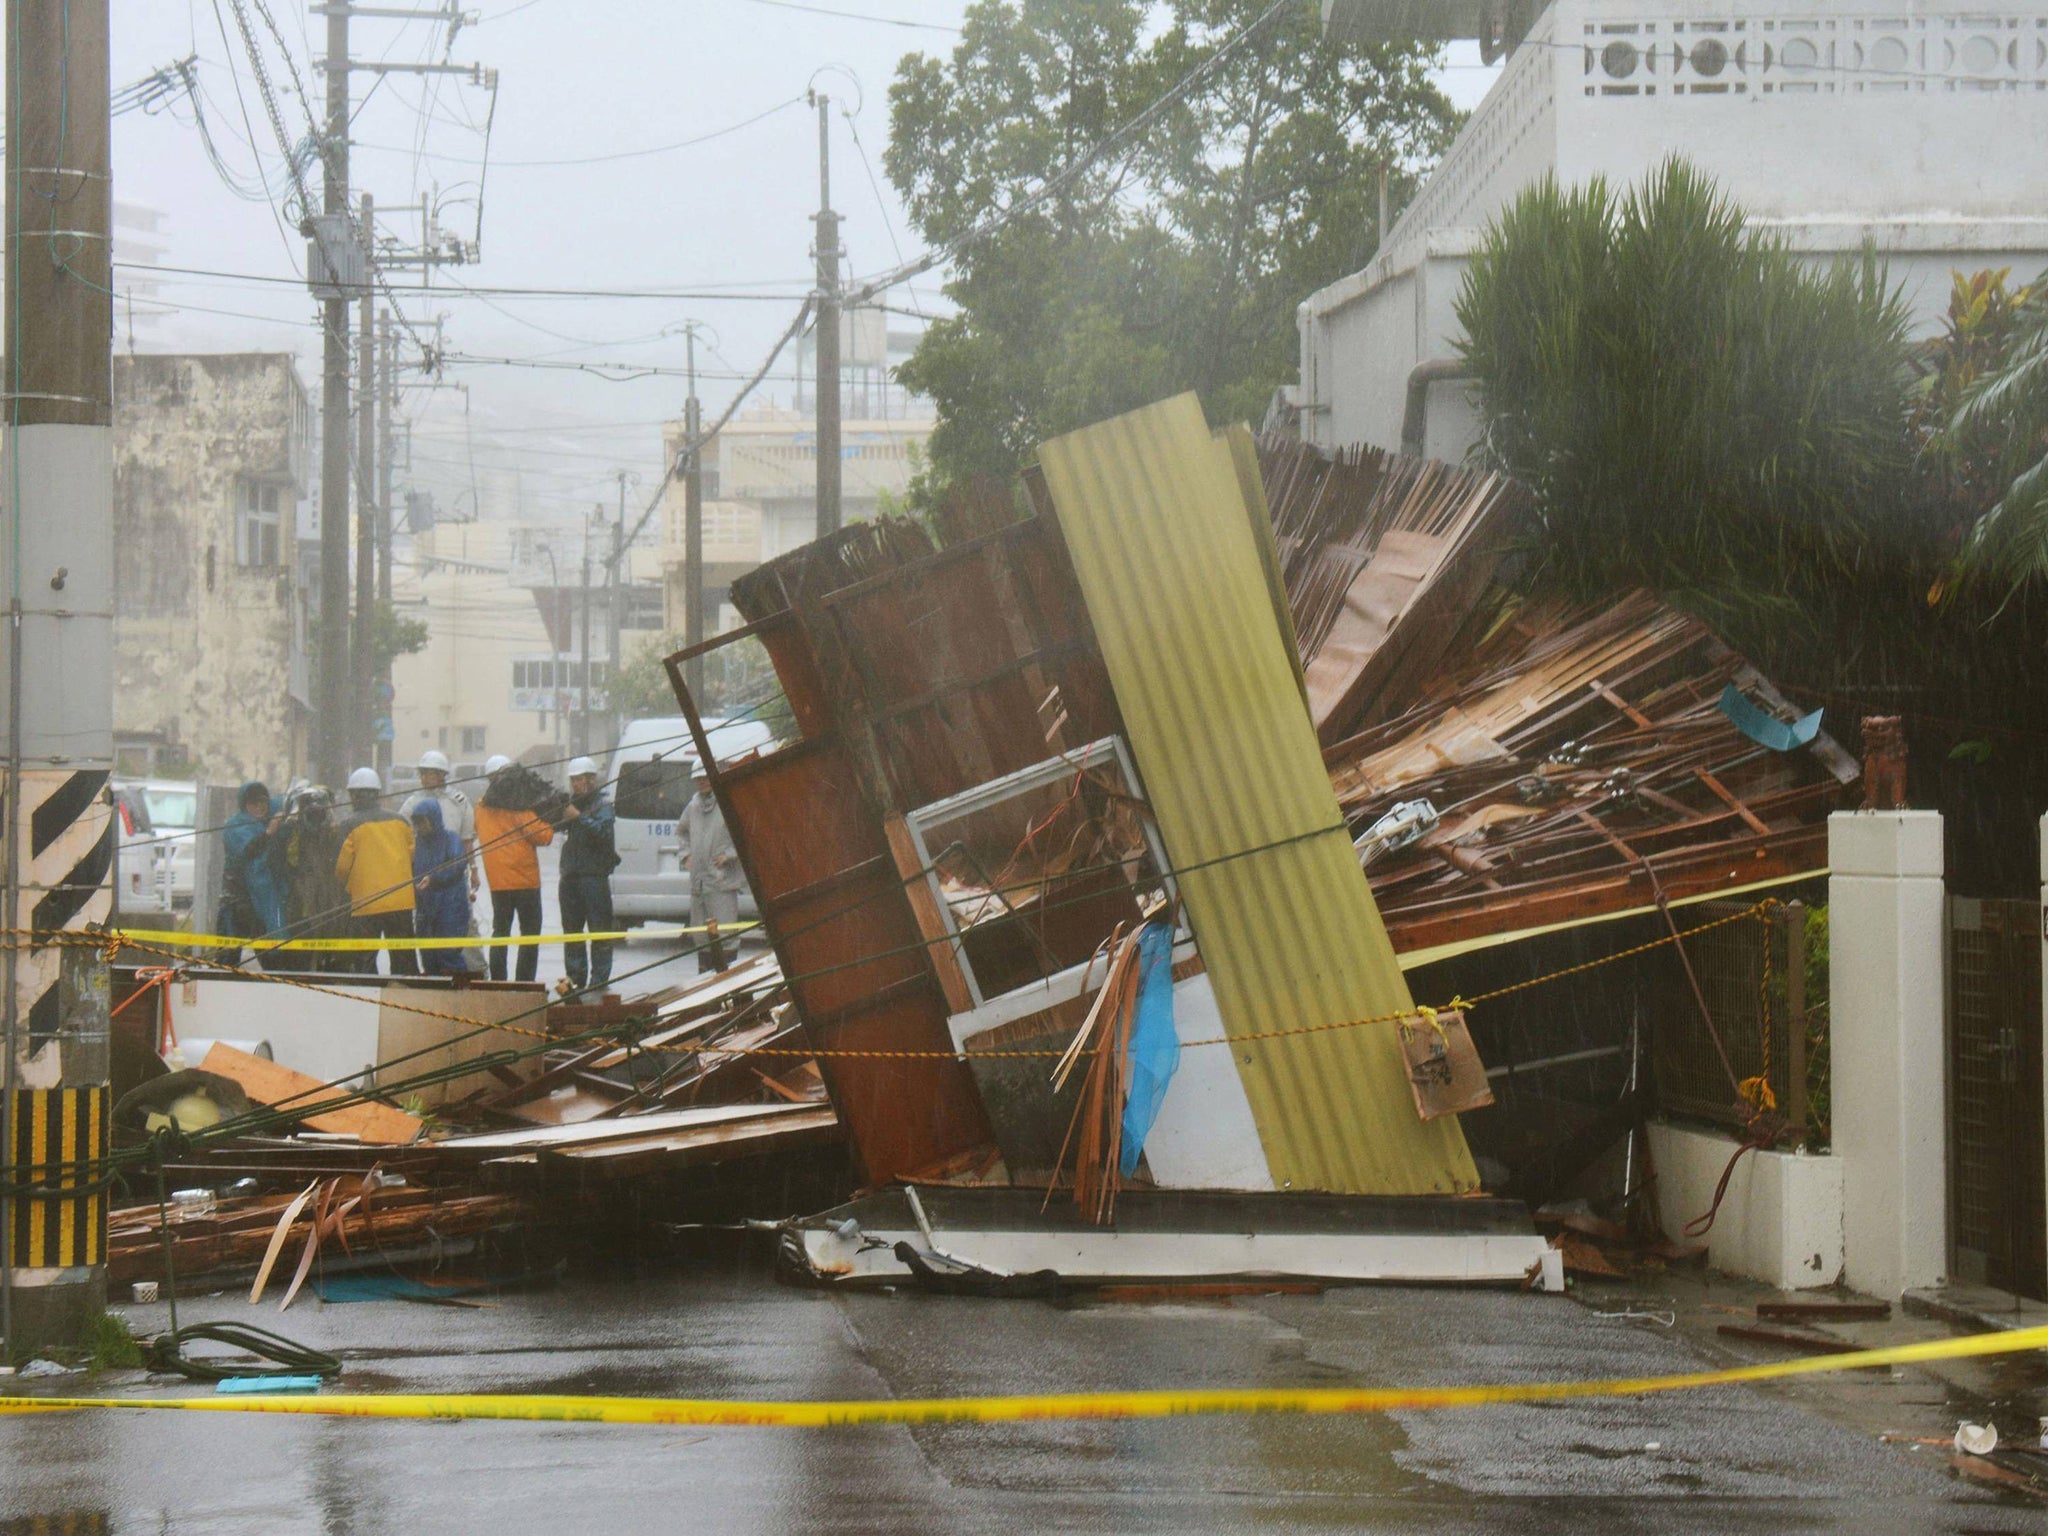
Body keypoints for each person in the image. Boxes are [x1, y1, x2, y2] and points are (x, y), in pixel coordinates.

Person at [474, 754, 554, 983]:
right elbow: (544, 836)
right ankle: (524, 982)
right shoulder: (518, 808)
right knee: (529, 936)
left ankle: (499, 982)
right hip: (525, 881)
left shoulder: (480, 808)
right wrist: (548, 818)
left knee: (500, 934)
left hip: (498, 884)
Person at [333, 767, 418, 975]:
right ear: (378, 793)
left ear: (353, 796)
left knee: (365, 959)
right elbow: (411, 856)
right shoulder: (400, 821)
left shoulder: (348, 825)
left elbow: (342, 867)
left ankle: (369, 996)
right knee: (403, 958)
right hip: (401, 900)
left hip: (365, 902)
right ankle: (405, 994)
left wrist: (346, 887)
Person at [403, 748, 481, 971]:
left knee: (461, 930)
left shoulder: (458, 801)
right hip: (424, 885)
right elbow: (404, 842)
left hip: (453, 879)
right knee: (428, 939)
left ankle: (475, 973)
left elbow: (467, 840)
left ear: (442, 775)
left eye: (430, 773)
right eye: (423, 773)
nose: (425, 778)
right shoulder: (411, 804)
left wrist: (474, 869)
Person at [555, 755, 618, 996]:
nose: (576, 785)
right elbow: (554, 827)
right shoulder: (572, 804)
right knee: (571, 930)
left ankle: (599, 979)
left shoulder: (603, 805)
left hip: (594, 876)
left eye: (580, 780)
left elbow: (602, 833)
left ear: (591, 780)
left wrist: (578, 817)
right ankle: (576, 977)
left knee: (599, 930)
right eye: (573, 780)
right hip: (570, 875)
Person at [273, 786, 348, 972]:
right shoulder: (291, 831)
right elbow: (280, 861)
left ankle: (329, 965)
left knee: (331, 941)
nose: (315, 817)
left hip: (330, 900)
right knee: (301, 946)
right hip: (300, 898)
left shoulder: (335, 831)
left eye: (319, 812)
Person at [682, 766, 743, 974]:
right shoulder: (693, 806)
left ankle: (727, 979)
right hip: (699, 883)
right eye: (698, 778)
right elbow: (681, 832)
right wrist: (686, 855)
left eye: (705, 777)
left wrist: (730, 854)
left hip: (722, 882)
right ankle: (705, 981)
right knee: (701, 934)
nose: (702, 781)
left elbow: (744, 832)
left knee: (725, 934)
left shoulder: (727, 801)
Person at [220, 781, 286, 967]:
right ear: (244, 805)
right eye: (253, 804)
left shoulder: (273, 819)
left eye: (263, 802)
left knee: (272, 959)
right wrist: (269, 832)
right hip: (237, 902)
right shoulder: (235, 826)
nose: (259, 808)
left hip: (262, 904)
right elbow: (247, 852)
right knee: (227, 958)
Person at [410, 798, 471, 978]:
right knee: (428, 958)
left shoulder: (451, 838)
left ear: (434, 818)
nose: (420, 826)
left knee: (449, 956)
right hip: (425, 910)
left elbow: (458, 865)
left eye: (423, 820)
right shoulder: (416, 843)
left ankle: (460, 998)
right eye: (417, 821)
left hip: (450, 909)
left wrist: (434, 878)